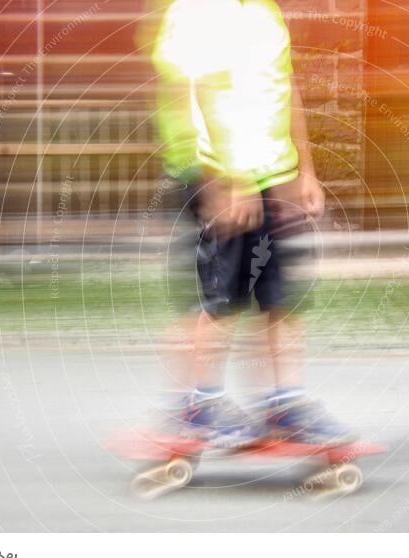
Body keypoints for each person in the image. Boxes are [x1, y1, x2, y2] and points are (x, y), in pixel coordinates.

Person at [146, 0, 352, 446]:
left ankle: (285, 404)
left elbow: (286, 88)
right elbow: (190, 99)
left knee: (279, 298)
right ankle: (197, 406)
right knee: (221, 299)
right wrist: (224, 182)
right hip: (217, 177)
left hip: (271, 178)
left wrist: (306, 170)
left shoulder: (264, 10)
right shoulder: (194, 12)